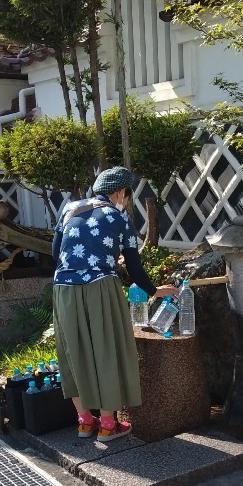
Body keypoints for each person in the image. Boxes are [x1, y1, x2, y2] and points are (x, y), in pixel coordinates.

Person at [51, 166, 178, 441]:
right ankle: (108, 425)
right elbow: (134, 267)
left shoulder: (69, 208)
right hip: (100, 287)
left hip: (63, 288)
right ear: (121, 192)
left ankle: (85, 421)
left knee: (73, 352)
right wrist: (155, 291)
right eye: (127, 195)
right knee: (106, 350)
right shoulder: (118, 217)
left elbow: (55, 252)